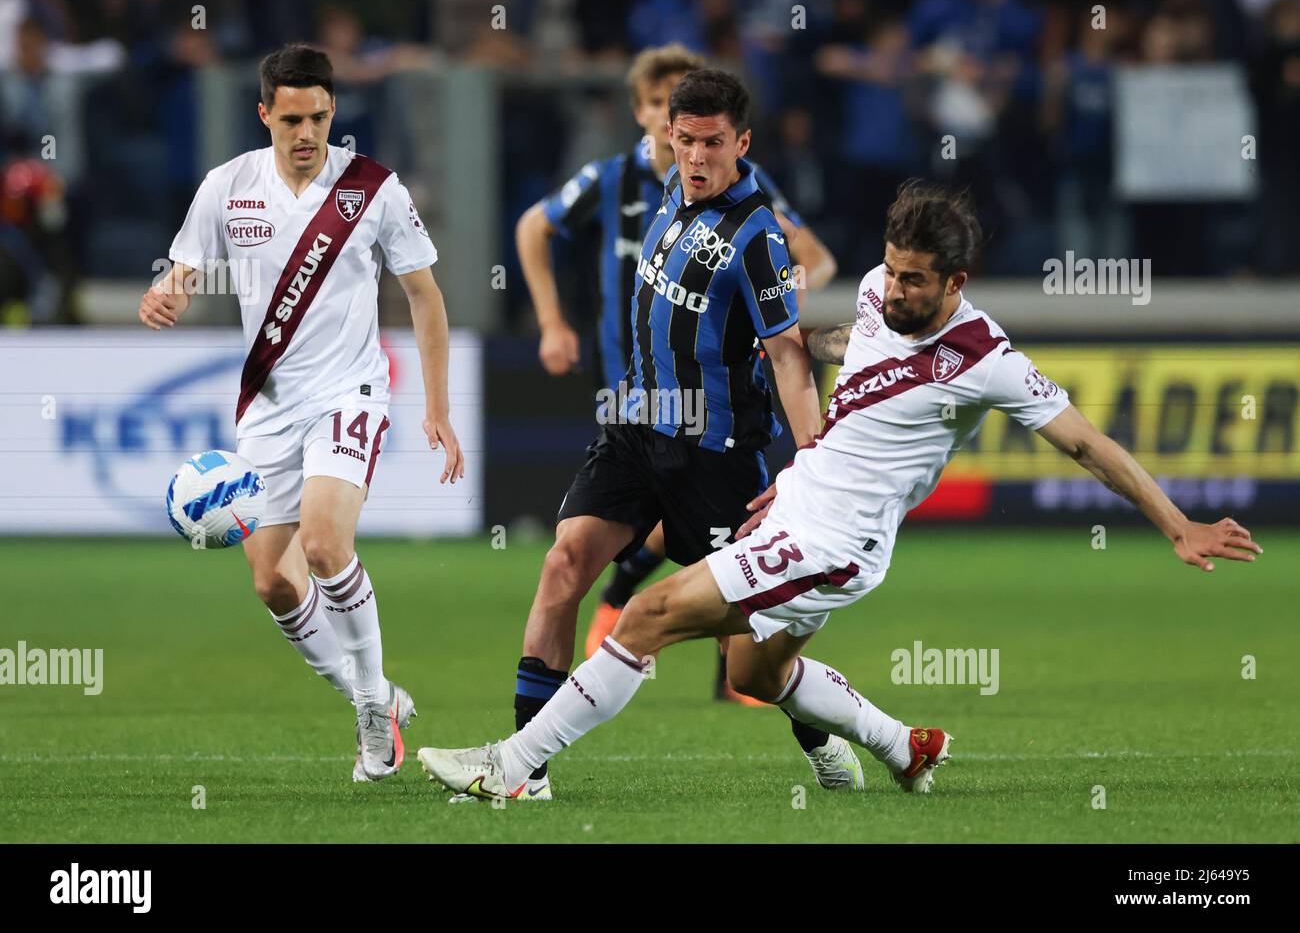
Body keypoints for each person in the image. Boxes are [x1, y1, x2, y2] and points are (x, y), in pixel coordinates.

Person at [418, 179, 1263, 800]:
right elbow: (850, 346)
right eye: (892, 272)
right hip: (796, 508)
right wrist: (786, 349)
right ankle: (905, 748)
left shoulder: (986, 359)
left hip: (836, 543)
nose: (894, 290)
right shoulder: (872, 292)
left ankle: (515, 766)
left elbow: (1089, 445)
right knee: (754, 672)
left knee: (647, 614)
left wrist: (1176, 521)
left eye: (915, 282)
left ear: (956, 283)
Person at [487, 68, 828, 802]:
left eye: (713, 143)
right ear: (666, 138)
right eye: (685, 141)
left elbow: (790, 360)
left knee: (751, 660)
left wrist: (813, 476)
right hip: (634, 431)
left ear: (742, 143)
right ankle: (525, 770)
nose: (697, 158)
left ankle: (826, 736)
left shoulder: (760, 237)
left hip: (716, 456)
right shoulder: (670, 186)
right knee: (562, 566)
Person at [138, 44, 464, 783]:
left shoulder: (373, 190)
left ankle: (373, 724)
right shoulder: (228, 185)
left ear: (332, 112)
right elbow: (183, 271)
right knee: (273, 583)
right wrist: (168, 296)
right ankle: (370, 693)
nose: (307, 132)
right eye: (291, 119)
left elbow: (425, 297)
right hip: (267, 407)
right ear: (265, 115)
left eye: (319, 116)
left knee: (323, 546)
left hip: (348, 392)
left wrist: (437, 406)